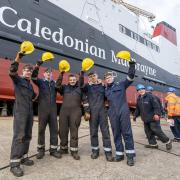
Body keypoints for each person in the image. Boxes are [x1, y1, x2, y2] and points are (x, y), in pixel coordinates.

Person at [104, 59, 136, 166]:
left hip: (123, 110)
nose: (108, 79)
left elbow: (130, 78)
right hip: (112, 113)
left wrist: (131, 66)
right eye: (106, 78)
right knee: (116, 133)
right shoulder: (105, 90)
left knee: (127, 133)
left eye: (109, 77)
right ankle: (119, 154)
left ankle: (130, 156)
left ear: (113, 77)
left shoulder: (121, 84)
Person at [9, 52, 36, 177]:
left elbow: (33, 97)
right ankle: (14, 164)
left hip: (29, 113)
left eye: (30, 71)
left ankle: (24, 157)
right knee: (19, 136)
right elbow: (12, 72)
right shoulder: (18, 80)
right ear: (22, 72)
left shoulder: (29, 85)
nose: (28, 72)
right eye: (26, 71)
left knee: (27, 135)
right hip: (20, 112)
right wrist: (18, 58)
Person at [56, 72, 90, 160]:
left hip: (76, 112)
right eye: (70, 80)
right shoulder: (64, 88)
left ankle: (74, 151)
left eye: (74, 80)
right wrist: (61, 75)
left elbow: (85, 101)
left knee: (74, 131)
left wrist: (87, 112)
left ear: (76, 80)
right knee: (62, 131)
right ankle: (63, 149)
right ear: (68, 80)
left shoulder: (80, 89)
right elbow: (57, 86)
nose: (72, 81)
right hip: (64, 112)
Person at [81, 71, 114, 161]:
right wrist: (86, 111)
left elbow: (107, 96)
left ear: (97, 76)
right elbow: (81, 88)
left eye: (94, 76)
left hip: (102, 112)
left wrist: (105, 85)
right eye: (91, 76)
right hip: (92, 112)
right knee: (93, 133)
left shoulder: (103, 86)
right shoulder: (87, 86)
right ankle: (95, 151)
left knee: (105, 132)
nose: (93, 77)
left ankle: (108, 153)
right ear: (89, 78)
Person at [31, 61, 61, 159]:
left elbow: (61, 87)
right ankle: (40, 150)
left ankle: (53, 150)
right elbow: (33, 77)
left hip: (53, 110)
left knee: (54, 131)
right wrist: (37, 66)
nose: (49, 74)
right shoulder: (40, 82)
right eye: (47, 73)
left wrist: (62, 73)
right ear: (44, 74)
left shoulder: (55, 84)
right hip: (43, 110)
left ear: (52, 75)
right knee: (41, 130)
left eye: (50, 73)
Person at [134, 84, 172, 150]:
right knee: (148, 132)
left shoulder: (150, 96)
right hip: (145, 118)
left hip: (153, 118)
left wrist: (157, 114)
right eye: (139, 90)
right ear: (137, 91)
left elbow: (156, 106)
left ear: (144, 89)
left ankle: (167, 141)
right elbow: (138, 108)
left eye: (142, 89)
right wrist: (135, 115)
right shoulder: (139, 98)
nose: (141, 91)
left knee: (157, 131)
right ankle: (153, 144)